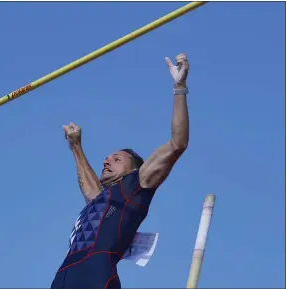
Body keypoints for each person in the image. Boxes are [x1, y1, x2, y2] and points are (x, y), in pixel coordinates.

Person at [51, 53, 190, 289]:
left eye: (116, 159)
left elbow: (177, 145)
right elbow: (90, 187)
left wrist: (179, 88)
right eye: (106, 159)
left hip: (96, 274)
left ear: (133, 169)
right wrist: (76, 146)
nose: (107, 162)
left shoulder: (137, 185)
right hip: (63, 277)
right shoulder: (101, 200)